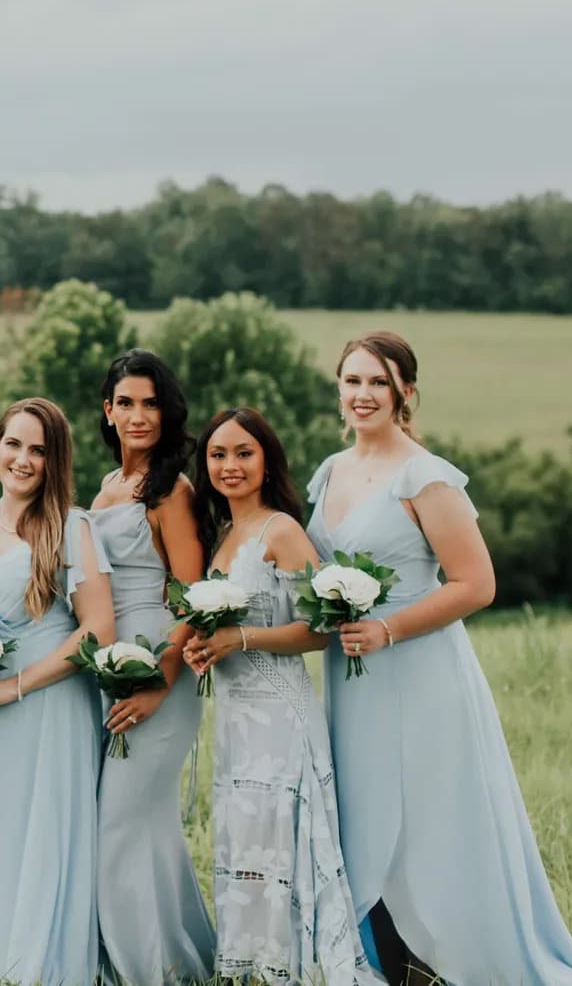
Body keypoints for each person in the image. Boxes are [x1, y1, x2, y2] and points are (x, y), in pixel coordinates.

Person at [307, 332, 572, 984]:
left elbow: (476, 583)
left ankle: (456, 956)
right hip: (351, 680)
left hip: (419, 672)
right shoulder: (330, 471)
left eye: (377, 383)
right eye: (352, 381)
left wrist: (387, 630)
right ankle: (383, 961)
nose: (362, 395)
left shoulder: (425, 475)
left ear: (405, 393)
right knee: (364, 813)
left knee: (431, 816)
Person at [183, 408, 379, 985]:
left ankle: (296, 968)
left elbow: (319, 631)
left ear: (267, 459)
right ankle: (252, 966)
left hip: (279, 710)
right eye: (218, 455)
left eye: (243, 453)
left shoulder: (282, 531)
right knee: (243, 837)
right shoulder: (221, 534)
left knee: (280, 838)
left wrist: (239, 637)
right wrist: (205, 647)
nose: (229, 466)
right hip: (234, 717)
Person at [0, 398, 114, 986]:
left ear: (54, 461)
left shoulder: (71, 526)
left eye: (38, 450)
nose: (23, 459)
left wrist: (10, 687)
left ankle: (42, 963)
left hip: (46, 703)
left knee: (42, 830)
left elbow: (98, 630)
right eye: (14, 444)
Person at [89, 348, 214, 983]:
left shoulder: (173, 491)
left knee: (120, 819)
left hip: (161, 672)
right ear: (107, 412)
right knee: (145, 823)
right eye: (127, 404)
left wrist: (159, 685)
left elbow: (192, 597)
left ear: (167, 413)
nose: (139, 416)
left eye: (151, 403)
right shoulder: (107, 489)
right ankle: (184, 956)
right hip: (111, 669)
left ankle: (144, 971)